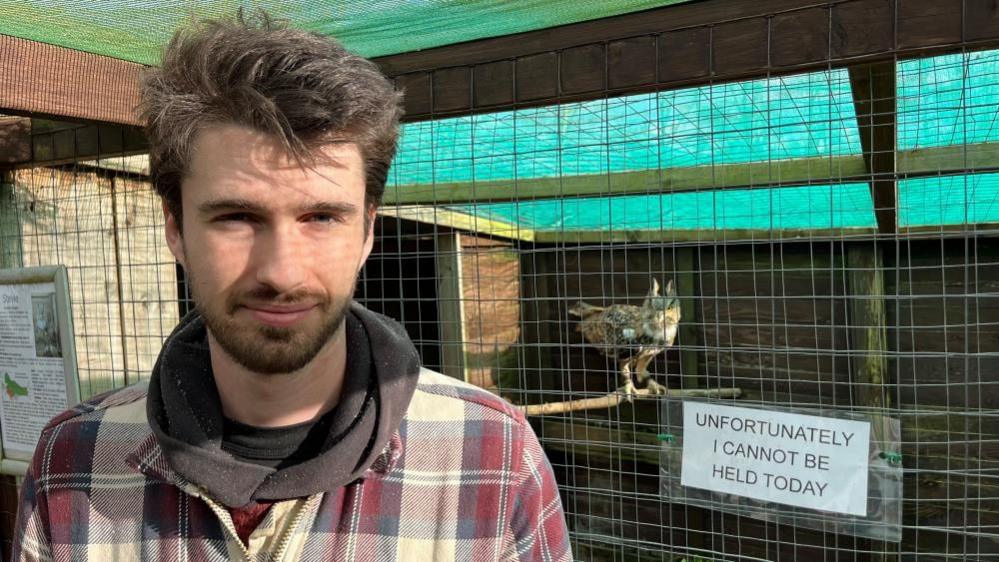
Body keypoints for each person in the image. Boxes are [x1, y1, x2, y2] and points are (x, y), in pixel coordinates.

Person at [13, 12, 571, 562]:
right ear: (176, 229)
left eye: (322, 217)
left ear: (367, 232)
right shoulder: (74, 461)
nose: (281, 272)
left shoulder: (492, 458)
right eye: (236, 216)